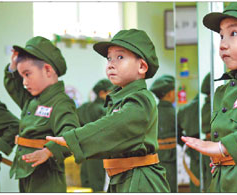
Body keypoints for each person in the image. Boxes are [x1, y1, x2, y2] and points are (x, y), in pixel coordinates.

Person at [43, 29, 170, 192]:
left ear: (142, 66)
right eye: (109, 58)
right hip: (122, 177)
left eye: (120, 57)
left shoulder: (141, 98)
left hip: (141, 181)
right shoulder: (119, 99)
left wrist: (74, 138)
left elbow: (115, 126)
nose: (110, 64)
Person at [181, 2, 237, 192]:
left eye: (234, 33)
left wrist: (223, 148)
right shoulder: (224, 90)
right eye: (221, 35)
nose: (223, 44)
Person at [4, 36, 80, 192]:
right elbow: (14, 86)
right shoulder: (32, 100)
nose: (24, 82)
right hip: (26, 172)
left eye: (27, 74)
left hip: (47, 176)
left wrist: (49, 151)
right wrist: (13, 66)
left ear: (47, 70)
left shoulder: (61, 103)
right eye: (21, 76)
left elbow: (71, 134)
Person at [76, 79, 114, 192]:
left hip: (84, 152)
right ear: (102, 93)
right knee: (99, 186)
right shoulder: (106, 110)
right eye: (111, 92)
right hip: (100, 154)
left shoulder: (83, 108)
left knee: (86, 185)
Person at [150, 75, 177, 192]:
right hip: (171, 158)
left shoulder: (152, 112)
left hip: (154, 158)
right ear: (170, 94)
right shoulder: (173, 113)